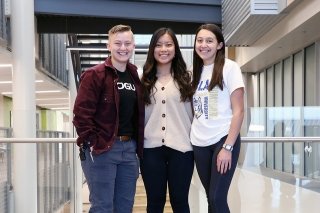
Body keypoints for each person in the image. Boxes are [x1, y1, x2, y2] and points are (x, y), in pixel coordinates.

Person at [73, 24, 144, 213]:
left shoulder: (134, 75)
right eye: (118, 43)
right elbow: (81, 115)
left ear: (133, 45)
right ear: (108, 46)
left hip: (129, 150)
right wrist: (94, 142)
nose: (123, 48)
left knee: (124, 207)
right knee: (102, 207)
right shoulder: (94, 75)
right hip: (103, 149)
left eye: (127, 43)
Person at [190, 23, 245, 213]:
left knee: (217, 197)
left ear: (220, 45)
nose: (203, 45)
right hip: (199, 143)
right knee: (210, 197)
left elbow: (239, 111)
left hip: (223, 139)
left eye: (209, 41)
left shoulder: (230, 68)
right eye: (200, 40)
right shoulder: (194, 72)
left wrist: (228, 147)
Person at [140, 27, 194, 213]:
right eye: (159, 45)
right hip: (150, 151)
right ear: (152, 49)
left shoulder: (189, 78)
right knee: (154, 203)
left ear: (175, 48)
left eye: (168, 45)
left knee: (180, 202)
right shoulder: (143, 79)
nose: (164, 49)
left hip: (182, 150)